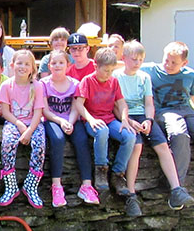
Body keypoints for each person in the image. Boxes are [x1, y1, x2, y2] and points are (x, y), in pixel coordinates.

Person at [114, 41, 194, 216]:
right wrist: (126, 120)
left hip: (145, 117)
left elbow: (149, 103)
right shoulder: (117, 77)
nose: (137, 63)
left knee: (163, 146)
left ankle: (176, 189)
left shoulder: (145, 77)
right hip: (127, 118)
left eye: (140, 60)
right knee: (136, 147)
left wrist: (149, 120)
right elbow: (115, 103)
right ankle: (131, 195)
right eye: (134, 59)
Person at [75, 48, 136, 196]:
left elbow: (121, 103)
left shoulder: (114, 81)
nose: (108, 74)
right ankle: (101, 169)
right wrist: (91, 119)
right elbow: (78, 104)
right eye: (106, 70)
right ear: (96, 66)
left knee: (129, 136)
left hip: (109, 118)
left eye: (111, 70)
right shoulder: (87, 81)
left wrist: (124, 120)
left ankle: (118, 174)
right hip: (93, 120)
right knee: (102, 132)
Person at [41, 50, 99, 207]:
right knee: (57, 140)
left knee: (81, 140)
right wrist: (61, 121)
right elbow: (44, 110)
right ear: (49, 65)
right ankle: (57, 186)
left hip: (72, 120)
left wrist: (71, 123)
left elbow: (75, 108)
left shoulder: (75, 84)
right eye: (54, 63)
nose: (57, 66)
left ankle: (87, 185)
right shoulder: (44, 84)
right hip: (53, 120)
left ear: (68, 65)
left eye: (61, 63)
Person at [0, 50, 46, 208]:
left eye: (27, 64)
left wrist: (29, 131)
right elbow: (5, 112)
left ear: (33, 68)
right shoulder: (6, 86)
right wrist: (19, 124)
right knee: (8, 143)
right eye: (19, 63)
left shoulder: (37, 86)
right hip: (14, 122)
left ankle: (31, 186)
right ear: (12, 65)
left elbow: (38, 112)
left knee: (39, 144)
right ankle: (11, 186)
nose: (22, 67)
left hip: (33, 123)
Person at [140, 42, 194, 185]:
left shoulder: (190, 75)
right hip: (165, 112)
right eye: (166, 60)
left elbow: (192, 98)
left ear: (184, 63)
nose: (168, 65)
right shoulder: (150, 69)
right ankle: (177, 186)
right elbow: (127, 64)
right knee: (179, 134)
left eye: (174, 63)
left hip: (187, 111)